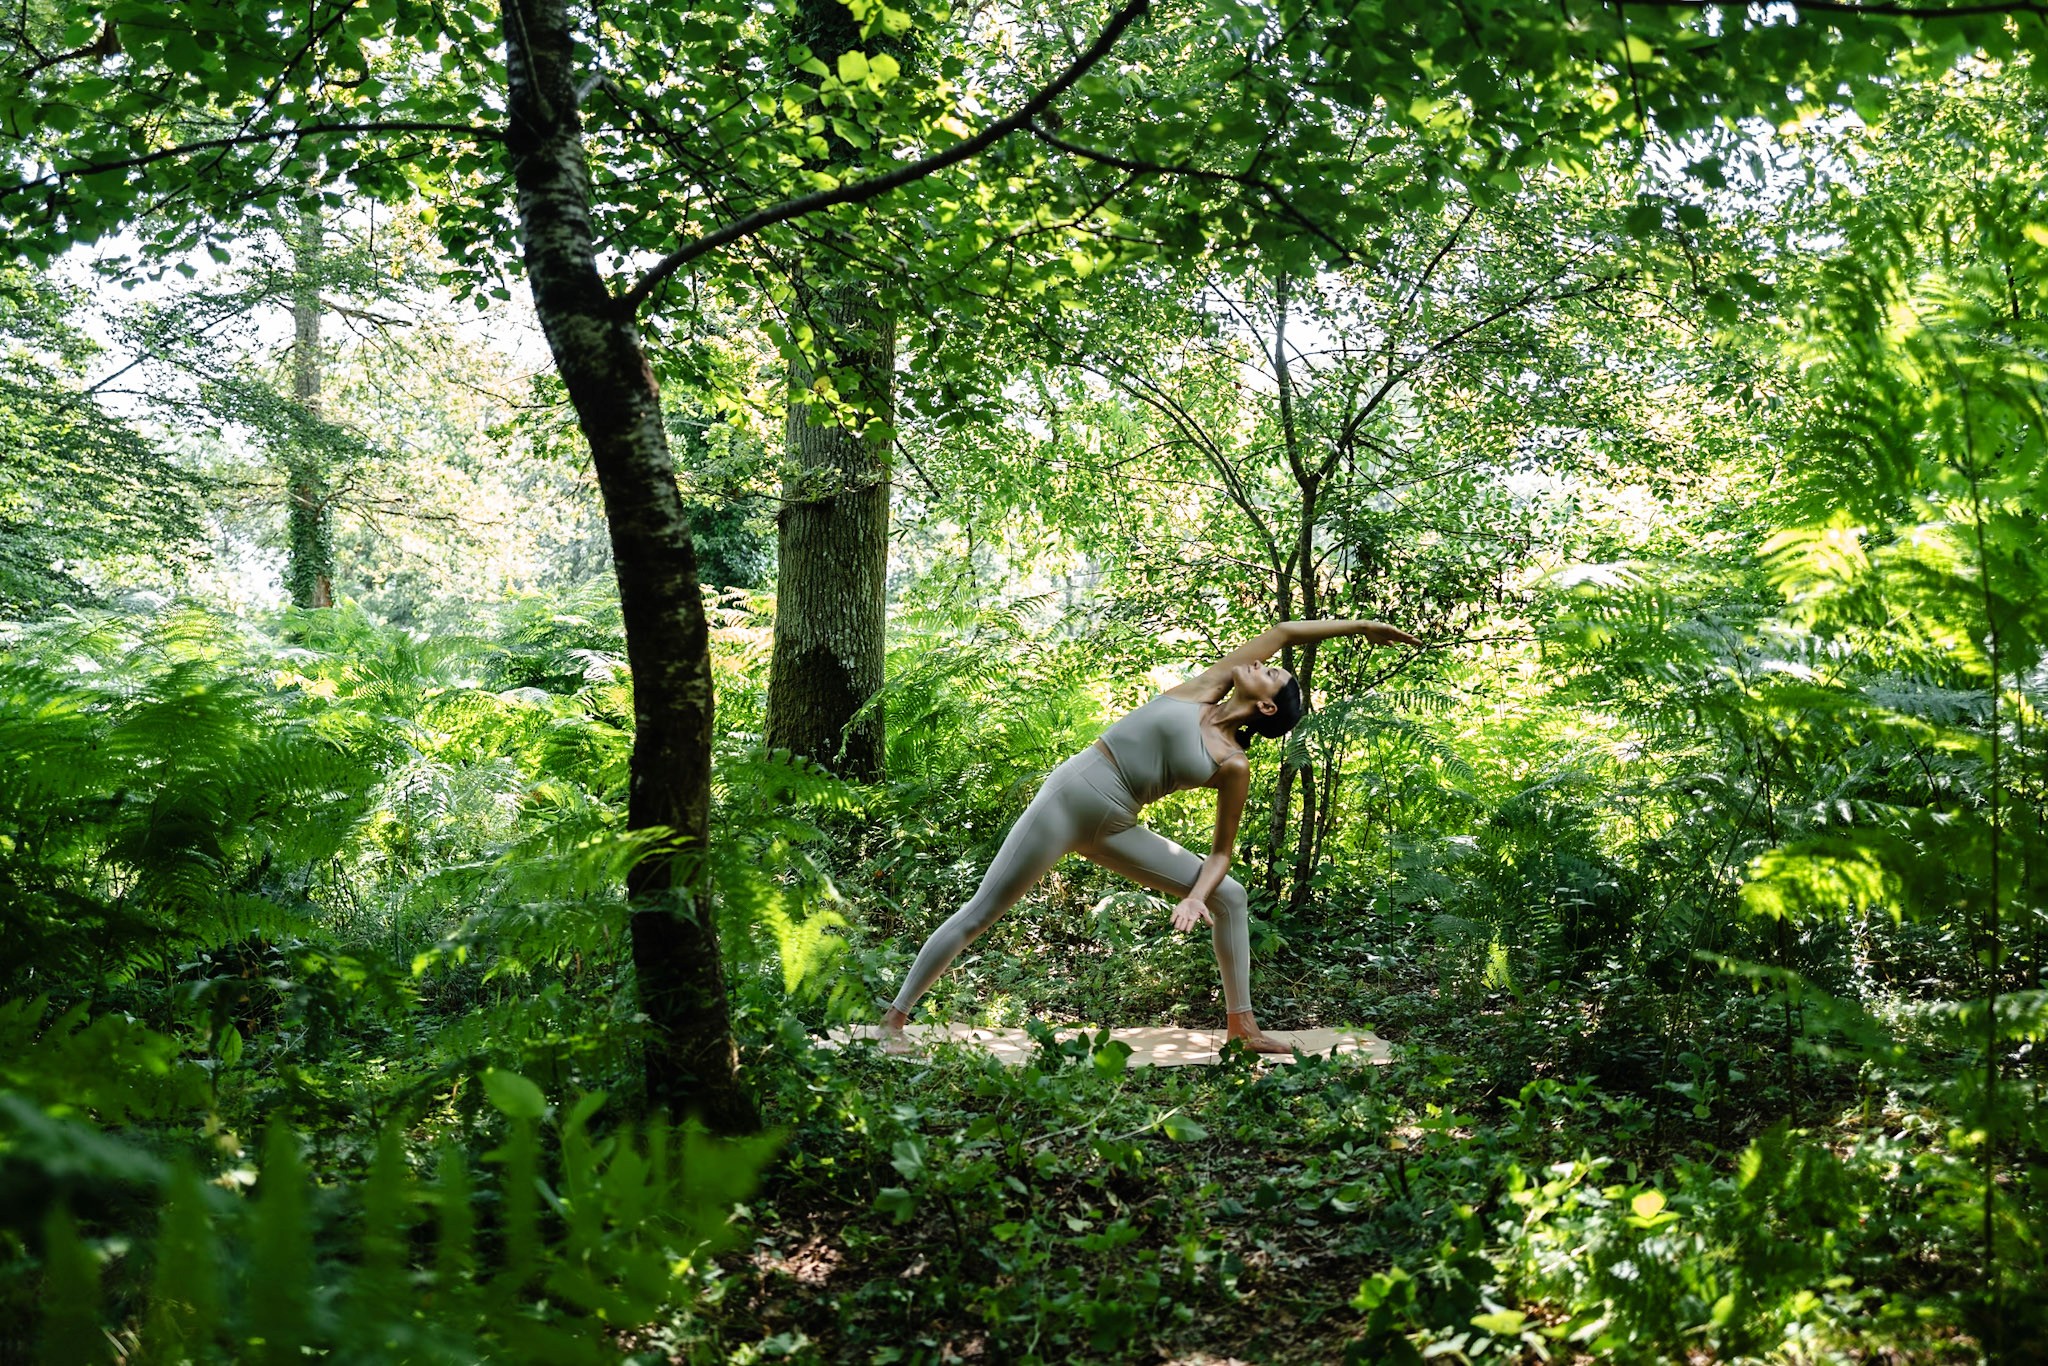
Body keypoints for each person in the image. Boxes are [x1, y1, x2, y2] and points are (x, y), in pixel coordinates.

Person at [878, 617, 1423, 1054]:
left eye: (1273, 674)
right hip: (1069, 798)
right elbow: (1283, 631)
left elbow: (1221, 853)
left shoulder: (1233, 763)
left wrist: (1194, 895)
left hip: (1116, 825)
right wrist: (1362, 626)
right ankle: (894, 1019)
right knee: (981, 913)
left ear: (1265, 706)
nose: (1263, 661)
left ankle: (1243, 1027)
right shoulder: (1207, 688)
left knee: (1228, 895)